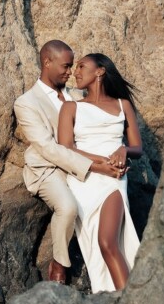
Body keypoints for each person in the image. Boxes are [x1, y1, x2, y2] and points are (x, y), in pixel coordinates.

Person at [14, 41, 123, 284]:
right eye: (65, 66)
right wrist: (95, 166)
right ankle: (60, 263)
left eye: (72, 66)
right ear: (47, 62)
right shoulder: (26, 103)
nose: (70, 72)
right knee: (68, 207)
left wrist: (117, 153)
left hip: (82, 161)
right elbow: (48, 148)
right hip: (48, 168)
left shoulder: (78, 96)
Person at [57, 53, 142, 292]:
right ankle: (118, 298)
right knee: (98, 245)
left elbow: (138, 148)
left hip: (113, 179)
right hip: (85, 180)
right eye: (75, 67)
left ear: (100, 71)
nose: (75, 71)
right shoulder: (70, 108)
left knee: (107, 242)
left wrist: (123, 149)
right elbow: (66, 149)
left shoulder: (122, 105)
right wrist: (101, 162)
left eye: (82, 66)